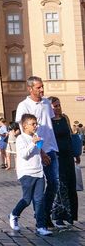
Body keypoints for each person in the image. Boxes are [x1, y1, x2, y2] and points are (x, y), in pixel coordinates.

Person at [15, 76, 60, 228]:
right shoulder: (23, 106)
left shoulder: (47, 103)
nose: (42, 90)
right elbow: (27, 133)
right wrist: (41, 152)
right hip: (36, 151)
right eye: (38, 87)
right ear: (30, 88)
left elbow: (49, 125)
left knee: (54, 183)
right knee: (37, 189)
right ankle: (41, 217)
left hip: (51, 148)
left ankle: (44, 213)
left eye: (42, 87)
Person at [8, 114, 52, 236]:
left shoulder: (36, 136)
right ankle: (14, 214)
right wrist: (33, 143)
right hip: (26, 173)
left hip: (39, 172)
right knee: (27, 200)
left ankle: (41, 226)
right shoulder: (21, 138)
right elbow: (23, 154)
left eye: (36, 123)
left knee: (39, 200)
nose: (35, 126)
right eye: (33, 124)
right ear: (24, 126)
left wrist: (43, 156)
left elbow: (37, 152)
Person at [50, 97, 79, 227]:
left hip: (68, 156)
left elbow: (70, 136)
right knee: (61, 187)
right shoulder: (48, 121)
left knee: (71, 184)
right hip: (57, 157)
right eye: (55, 106)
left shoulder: (65, 118)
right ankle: (59, 216)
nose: (57, 108)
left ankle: (71, 215)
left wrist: (76, 154)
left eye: (58, 105)